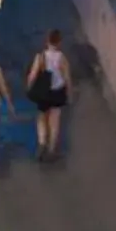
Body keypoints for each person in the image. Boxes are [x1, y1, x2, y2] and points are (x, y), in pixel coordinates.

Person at [25, 31, 70, 161]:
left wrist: (29, 87)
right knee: (54, 121)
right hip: (57, 91)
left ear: (47, 41)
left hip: (43, 92)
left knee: (41, 118)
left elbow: (32, 75)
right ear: (59, 42)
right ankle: (51, 149)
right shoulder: (62, 58)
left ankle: (41, 144)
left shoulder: (40, 57)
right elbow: (67, 77)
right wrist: (69, 92)